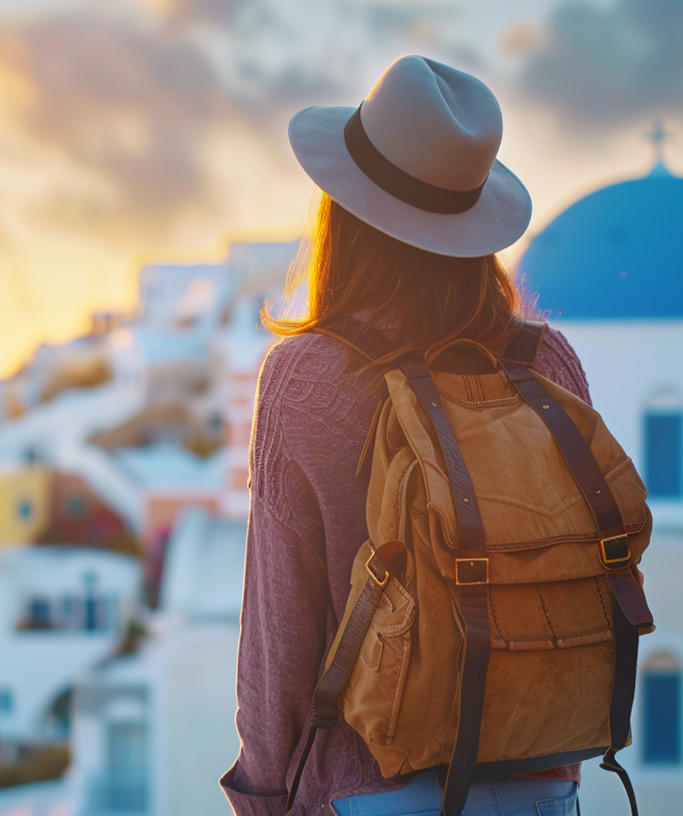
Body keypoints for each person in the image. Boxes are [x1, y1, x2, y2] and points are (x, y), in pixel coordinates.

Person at [220, 56, 588, 816]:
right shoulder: (545, 361)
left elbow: (279, 638)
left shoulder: (306, 377)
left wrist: (261, 796)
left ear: (343, 216)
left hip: (371, 791)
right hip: (541, 783)